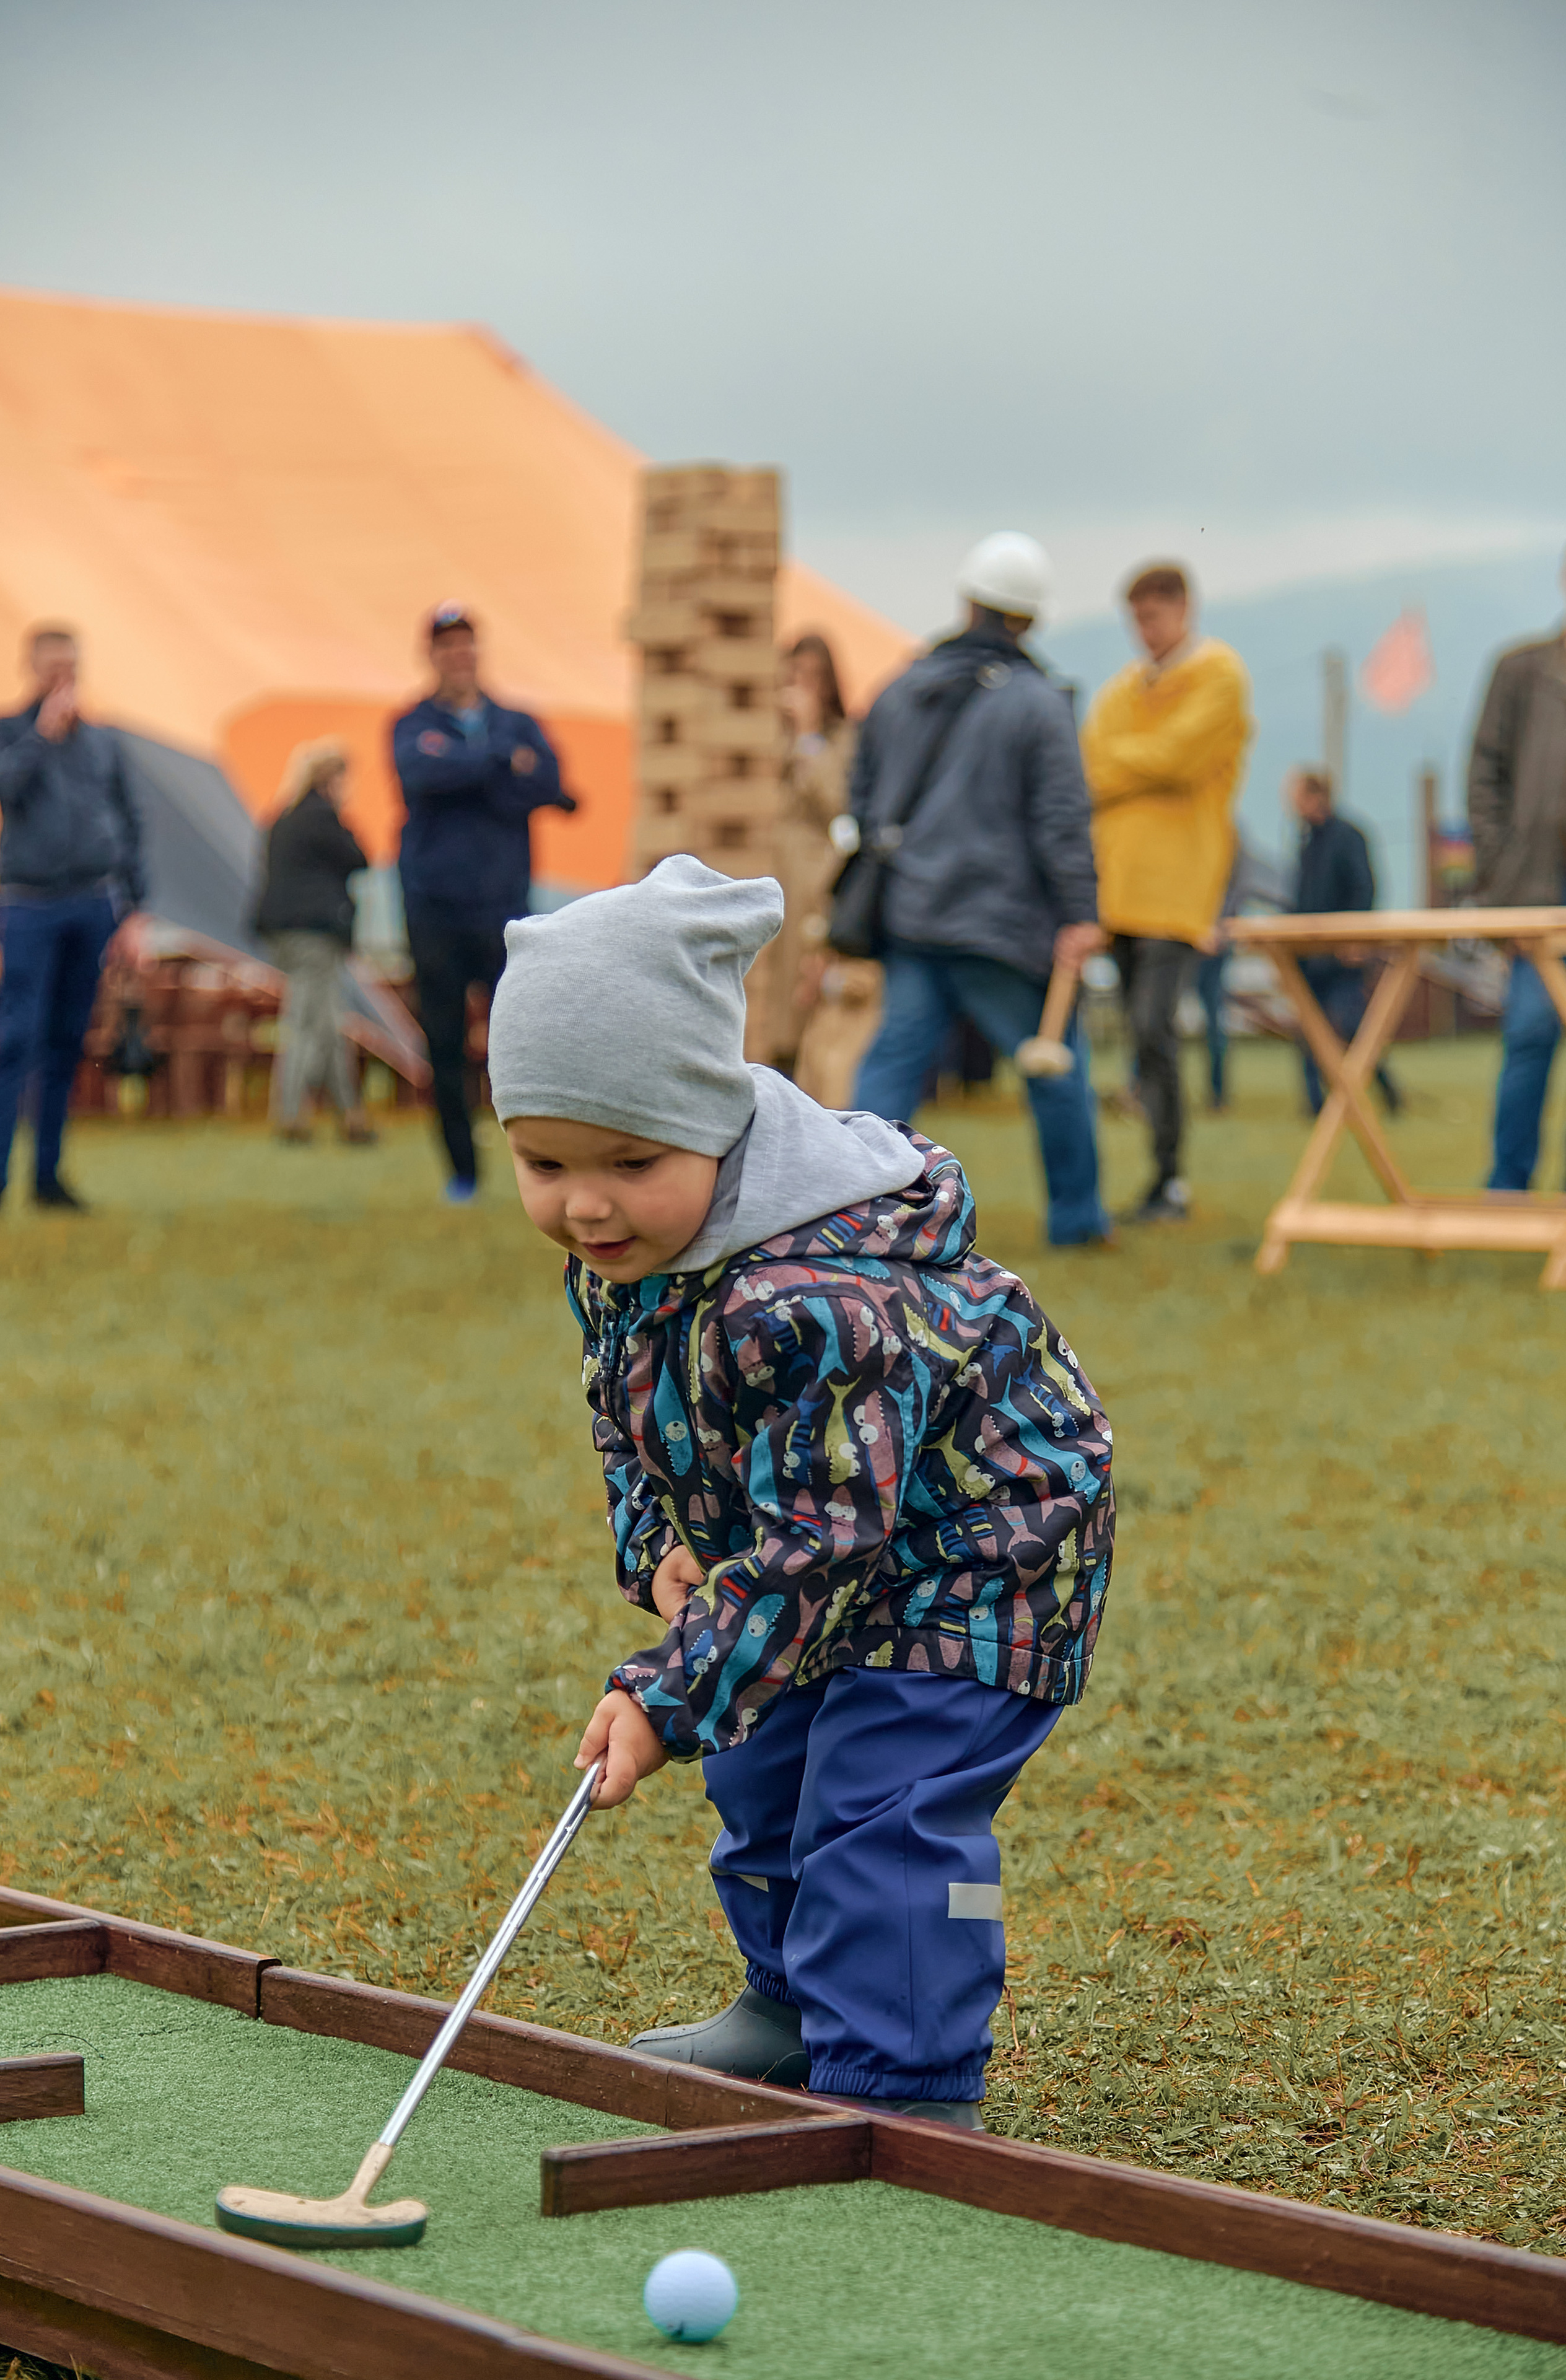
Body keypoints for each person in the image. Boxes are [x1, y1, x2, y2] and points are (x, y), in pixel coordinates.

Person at [488, 856, 1114, 2127]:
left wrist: (668, 1691)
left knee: (884, 1812)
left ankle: (905, 2085)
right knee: (760, 1761)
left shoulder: (812, 1298)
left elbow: (828, 1536)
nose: (586, 1203)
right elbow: (627, 1416)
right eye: (543, 1163)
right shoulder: (629, 1259)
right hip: (815, 1545)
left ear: (717, 1120)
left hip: (977, 1559)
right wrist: (660, 1543)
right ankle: (787, 2007)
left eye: (625, 1157)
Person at [846, 533, 1111, 1248]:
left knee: (888, 1076)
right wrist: (1082, 912)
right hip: (1002, 927)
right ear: (1030, 619)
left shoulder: (898, 689)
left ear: (967, 602)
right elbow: (1060, 817)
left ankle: (844, 1215)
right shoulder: (1038, 703)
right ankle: (1078, 1221)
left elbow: (863, 797)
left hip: (911, 914)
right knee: (1055, 1071)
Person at [1081, 564, 1251, 1222]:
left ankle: (1170, 1175)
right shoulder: (1126, 686)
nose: (1143, 634)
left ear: (1183, 609)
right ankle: (1160, 1174)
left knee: (1156, 1026)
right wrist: (1141, 762)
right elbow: (1090, 762)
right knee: (1140, 1033)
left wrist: (1128, 762)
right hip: (1120, 886)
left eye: (1152, 618)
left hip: (1179, 889)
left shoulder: (1218, 675)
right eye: (1136, 621)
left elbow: (1177, 756)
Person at [392, 603, 575, 1202]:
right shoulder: (412, 723)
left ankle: (540, 1163)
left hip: (506, 911)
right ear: (433, 655)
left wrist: (469, 766)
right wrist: (498, 763)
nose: (458, 656)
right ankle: (463, 1172)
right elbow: (421, 775)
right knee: (444, 1045)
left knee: (521, 1043)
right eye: (447, 646)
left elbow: (550, 785)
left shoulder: (517, 720)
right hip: (434, 909)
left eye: (466, 644)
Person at [0, 625, 147, 1214]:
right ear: (32, 668)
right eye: (52, 667)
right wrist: (43, 734)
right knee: (15, 1039)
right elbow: (6, 787)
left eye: (70, 667)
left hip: (91, 901)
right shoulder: (4, 730)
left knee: (66, 1042)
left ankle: (48, 1175)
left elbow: (129, 823)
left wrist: (135, 908)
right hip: (29, 903)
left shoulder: (102, 743)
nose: (63, 678)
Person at [1466, 573, 1566, 1190]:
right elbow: (1484, 779)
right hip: (1538, 887)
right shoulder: (1521, 670)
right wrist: (1503, 881)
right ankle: (1507, 1186)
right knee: (1531, 1029)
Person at [253, 738, 377, 1145]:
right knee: (308, 1025)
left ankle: (351, 1117)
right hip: (315, 934)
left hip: (282, 933)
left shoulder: (282, 819)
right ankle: (291, 1115)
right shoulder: (323, 820)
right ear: (332, 779)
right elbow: (360, 857)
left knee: (325, 1023)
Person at [764, 633, 857, 1073]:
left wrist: (808, 737)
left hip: (810, 883)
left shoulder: (841, 741)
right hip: (768, 874)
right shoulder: (766, 740)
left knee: (801, 985)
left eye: (812, 679)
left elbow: (839, 805)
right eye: (794, 677)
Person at [1287, 768, 1401, 1117]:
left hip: (1342, 954)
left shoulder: (1348, 836)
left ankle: (1387, 1092)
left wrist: (1357, 938)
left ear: (1316, 796)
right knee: (1308, 1032)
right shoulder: (1307, 841)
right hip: (1309, 953)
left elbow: (1364, 888)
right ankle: (1315, 1105)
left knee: (1353, 1027)